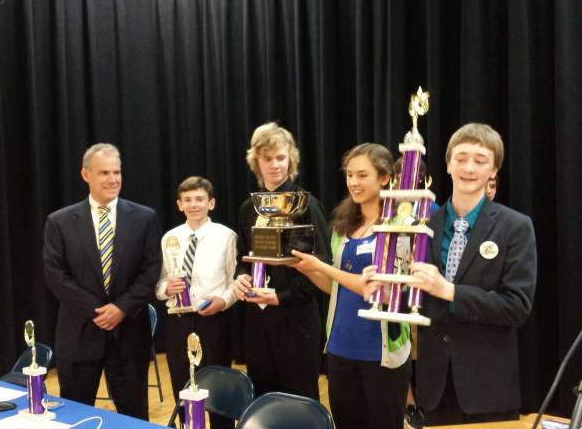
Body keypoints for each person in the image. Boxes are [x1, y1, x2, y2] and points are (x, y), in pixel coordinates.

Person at [396, 123, 537, 425]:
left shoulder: (515, 226)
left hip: (488, 387)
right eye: (460, 158)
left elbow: (517, 307)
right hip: (433, 388)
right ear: (448, 165)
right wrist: (387, 289)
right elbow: (411, 298)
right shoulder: (422, 225)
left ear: (494, 170)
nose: (469, 168)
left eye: (480, 160)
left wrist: (449, 291)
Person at [292, 143, 411, 429]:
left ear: (384, 178)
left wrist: (321, 266)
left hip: (381, 350)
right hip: (341, 346)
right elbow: (335, 287)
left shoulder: (401, 225)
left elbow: (376, 289)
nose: (353, 183)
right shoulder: (344, 226)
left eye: (362, 175)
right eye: (349, 175)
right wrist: (303, 267)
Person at [43, 143, 161, 419]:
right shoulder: (59, 222)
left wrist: (121, 308)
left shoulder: (145, 218)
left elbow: (151, 270)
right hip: (79, 335)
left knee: (134, 418)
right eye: (104, 172)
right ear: (86, 175)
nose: (112, 179)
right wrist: (98, 311)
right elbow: (56, 275)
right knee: (75, 416)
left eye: (117, 172)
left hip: (130, 335)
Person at [232, 122, 331, 400]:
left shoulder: (306, 205)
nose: (274, 165)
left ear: (291, 160)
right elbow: (243, 258)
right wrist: (240, 277)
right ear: (256, 162)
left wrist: (282, 296)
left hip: (296, 320)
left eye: (280, 157)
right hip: (258, 322)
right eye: (267, 158)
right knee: (263, 399)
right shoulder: (247, 208)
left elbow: (324, 266)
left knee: (300, 401)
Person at [157, 176, 237, 428]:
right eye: (188, 200)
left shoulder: (226, 236)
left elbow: (236, 280)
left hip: (214, 320)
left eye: (200, 199)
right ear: (179, 204)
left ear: (211, 203)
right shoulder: (169, 238)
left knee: (217, 385)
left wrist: (223, 301)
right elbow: (158, 282)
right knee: (183, 385)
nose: (194, 205)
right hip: (178, 321)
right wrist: (165, 288)